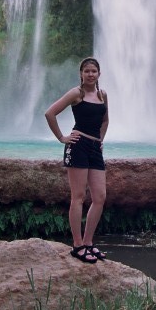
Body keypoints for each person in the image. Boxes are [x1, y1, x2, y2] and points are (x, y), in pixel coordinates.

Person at [45, 57, 109, 264]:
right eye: (87, 71)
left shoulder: (102, 95)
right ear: (81, 74)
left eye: (94, 71)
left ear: (99, 74)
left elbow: (106, 120)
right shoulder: (76, 94)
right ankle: (77, 245)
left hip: (94, 148)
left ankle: (89, 243)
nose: (90, 74)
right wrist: (62, 137)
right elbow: (50, 113)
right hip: (78, 145)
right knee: (78, 196)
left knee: (100, 197)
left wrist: (100, 139)